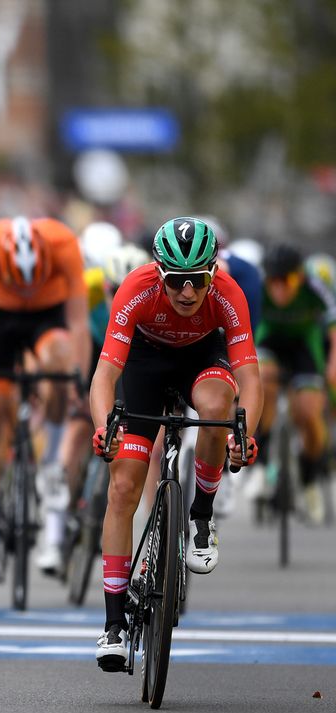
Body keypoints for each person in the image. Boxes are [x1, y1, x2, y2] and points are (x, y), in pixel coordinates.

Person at [90, 217, 261, 670]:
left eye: (198, 281)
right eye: (176, 281)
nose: (188, 292)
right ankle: (113, 624)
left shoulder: (228, 294)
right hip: (144, 366)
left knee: (218, 407)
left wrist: (248, 436)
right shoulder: (136, 288)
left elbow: (250, 375)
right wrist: (105, 426)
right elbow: (106, 373)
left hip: (201, 359)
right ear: (158, 273)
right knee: (123, 487)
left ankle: (201, 516)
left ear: (213, 273)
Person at [0, 216, 90, 582]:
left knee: (60, 362)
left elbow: (78, 324)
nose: (27, 289)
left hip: (47, 318)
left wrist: (76, 380)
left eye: (34, 281)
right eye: (21, 282)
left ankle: (50, 462)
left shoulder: (64, 243)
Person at [249, 245, 336, 523]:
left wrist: (333, 366)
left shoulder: (315, 288)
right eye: (274, 281)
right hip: (270, 342)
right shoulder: (258, 289)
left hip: (304, 348)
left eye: (288, 281)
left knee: (309, 414)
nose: (280, 289)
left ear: (300, 277)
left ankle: (309, 476)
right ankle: (261, 461)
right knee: (262, 380)